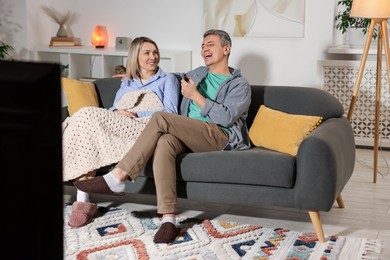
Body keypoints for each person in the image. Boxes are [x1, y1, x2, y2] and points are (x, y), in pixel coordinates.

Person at [74, 29, 252, 243]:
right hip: (190, 131)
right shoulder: (197, 74)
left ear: (226, 49)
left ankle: (119, 176)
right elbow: (169, 77)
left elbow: (227, 117)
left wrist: (195, 96)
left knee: (161, 118)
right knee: (165, 142)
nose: (205, 49)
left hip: (218, 134)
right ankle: (169, 219)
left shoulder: (239, 84)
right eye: (203, 45)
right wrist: (135, 76)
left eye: (211, 44)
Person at [63, 36, 180, 228]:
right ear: (135, 56)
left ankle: (83, 199)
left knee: (85, 115)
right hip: (120, 123)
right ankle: (82, 198)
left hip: (146, 126)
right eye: (147, 53)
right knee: (87, 130)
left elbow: (170, 113)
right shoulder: (127, 82)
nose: (153, 57)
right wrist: (117, 112)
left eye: (155, 52)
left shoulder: (168, 80)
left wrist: (135, 113)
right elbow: (114, 109)